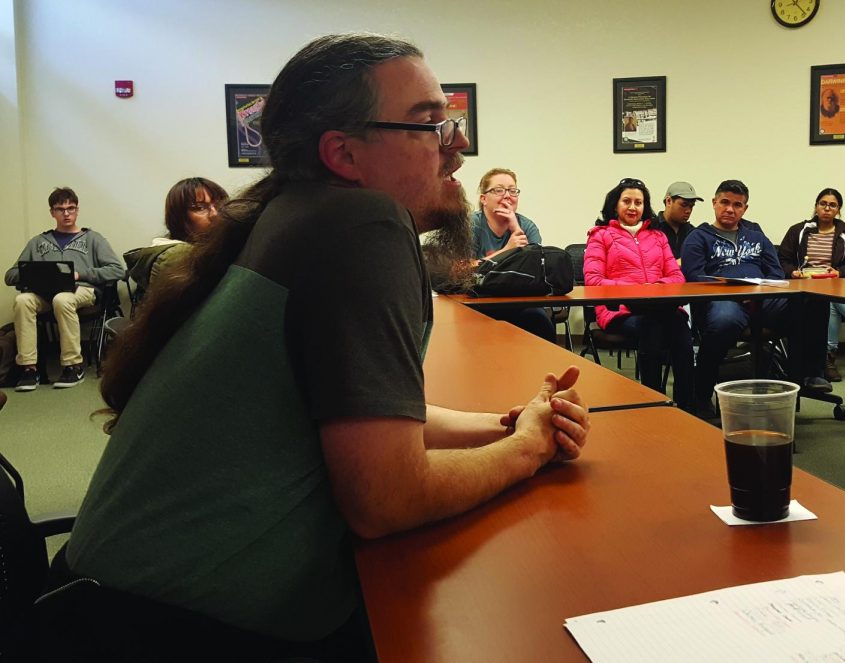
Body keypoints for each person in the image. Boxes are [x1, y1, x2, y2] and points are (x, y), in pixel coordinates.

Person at [47, 34, 590, 661]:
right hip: (169, 632)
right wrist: (526, 450)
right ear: (344, 154)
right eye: (430, 124)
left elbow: (354, 416)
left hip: (101, 607)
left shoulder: (293, 216)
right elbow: (387, 500)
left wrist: (505, 424)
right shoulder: (364, 226)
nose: (458, 143)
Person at [681, 179, 831, 418]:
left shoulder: (756, 236)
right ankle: (702, 392)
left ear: (745, 208)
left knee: (814, 300)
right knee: (724, 322)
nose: (730, 209)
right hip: (723, 301)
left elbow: (775, 272)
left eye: (737, 205)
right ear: (714, 203)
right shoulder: (699, 237)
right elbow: (694, 277)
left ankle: (811, 374)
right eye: (725, 202)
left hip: (763, 300)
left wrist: (762, 290)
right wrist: (734, 290)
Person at [584, 178, 694, 412]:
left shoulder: (657, 236)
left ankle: (687, 406)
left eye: (639, 202)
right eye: (627, 201)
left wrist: (652, 287)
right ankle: (653, 403)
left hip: (660, 307)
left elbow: (677, 277)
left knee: (680, 325)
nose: (633, 207)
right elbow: (593, 281)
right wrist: (635, 290)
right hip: (619, 310)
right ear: (615, 204)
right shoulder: (599, 235)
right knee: (651, 326)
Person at [4, 187, 125, 391]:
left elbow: (117, 270)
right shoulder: (38, 242)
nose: (66, 213)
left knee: (63, 299)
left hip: (81, 290)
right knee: (22, 301)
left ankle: (72, 366)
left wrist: (81, 274)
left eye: (71, 208)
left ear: (77, 210)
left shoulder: (92, 239)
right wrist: (34, 274)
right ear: (52, 212)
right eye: (60, 209)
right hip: (45, 293)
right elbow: (10, 275)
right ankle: (29, 369)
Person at [778, 188, 845, 382]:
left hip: (834, 285)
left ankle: (827, 358)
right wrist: (792, 272)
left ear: (838, 210)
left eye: (832, 205)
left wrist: (840, 272)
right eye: (823, 203)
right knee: (826, 300)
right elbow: (782, 259)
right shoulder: (798, 230)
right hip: (803, 286)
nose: (827, 208)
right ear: (816, 207)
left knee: (828, 301)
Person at [468, 167, 556, 342]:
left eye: (512, 190)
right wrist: (507, 250)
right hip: (478, 299)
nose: (507, 195)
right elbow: (463, 268)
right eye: (499, 190)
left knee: (541, 322)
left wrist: (516, 228)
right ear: (483, 199)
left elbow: (537, 269)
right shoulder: (472, 225)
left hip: (519, 298)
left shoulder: (527, 226)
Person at [124, 178, 228, 304]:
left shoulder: (211, 247)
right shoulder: (178, 256)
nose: (215, 214)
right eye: (200, 207)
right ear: (179, 218)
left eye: (219, 205)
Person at [651, 181, 703, 261]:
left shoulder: (693, 233)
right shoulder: (650, 228)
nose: (688, 211)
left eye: (691, 206)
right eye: (684, 205)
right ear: (669, 201)